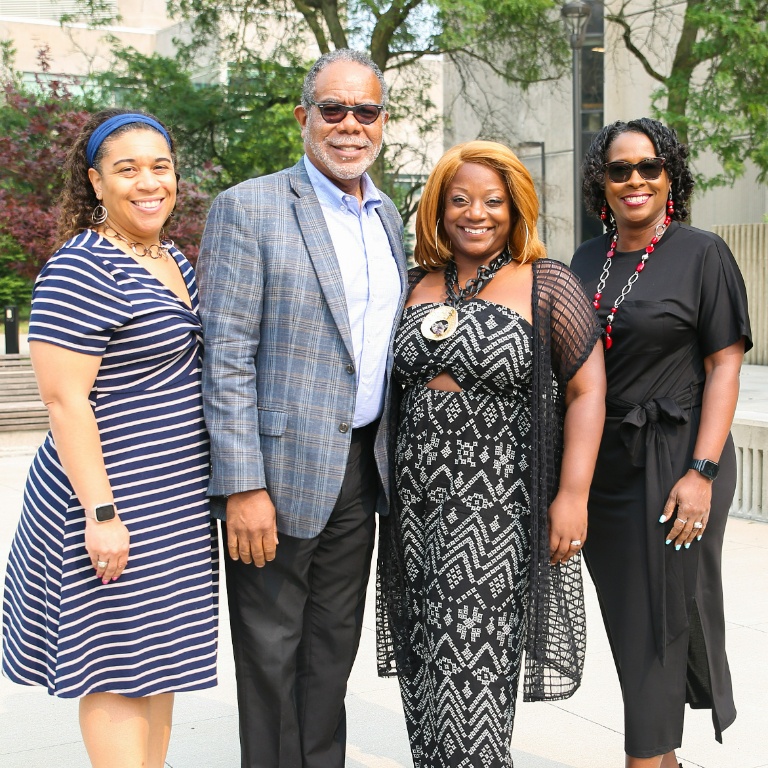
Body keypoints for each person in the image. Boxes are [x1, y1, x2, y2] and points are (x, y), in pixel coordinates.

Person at [196, 49, 406, 768]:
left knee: (330, 654)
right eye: (334, 109)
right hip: (275, 475)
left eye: (367, 111)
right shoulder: (247, 208)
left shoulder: (389, 216)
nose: (351, 125)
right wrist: (242, 484)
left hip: (362, 467)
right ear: (303, 117)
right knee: (270, 659)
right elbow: (225, 356)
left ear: (384, 121)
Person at [376, 140, 606, 767]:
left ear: (516, 209)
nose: (475, 213)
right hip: (415, 513)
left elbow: (587, 391)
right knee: (426, 673)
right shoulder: (414, 283)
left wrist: (572, 495)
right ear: (437, 208)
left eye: (493, 201)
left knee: (473, 668)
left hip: (494, 514)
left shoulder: (545, 283)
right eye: (459, 200)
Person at [1, 109, 218, 768]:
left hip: (173, 504)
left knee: (156, 663)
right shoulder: (83, 265)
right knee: (116, 664)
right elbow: (65, 402)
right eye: (127, 170)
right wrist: (101, 514)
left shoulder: (170, 255)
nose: (148, 182)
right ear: (95, 182)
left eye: (160, 166)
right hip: (108, 499)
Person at [570, 118, 752, 768]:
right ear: (603, 182)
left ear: (670, 174)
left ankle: (647, 758)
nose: (635, 179)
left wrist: (701, 471)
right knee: (631, 619)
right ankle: (662, 757)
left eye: (649, 166)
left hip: (678, 460)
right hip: (607, 465)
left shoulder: (702, 253)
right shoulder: (586, 260)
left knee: (662, 615)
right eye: (620, 169)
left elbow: (724, 364)